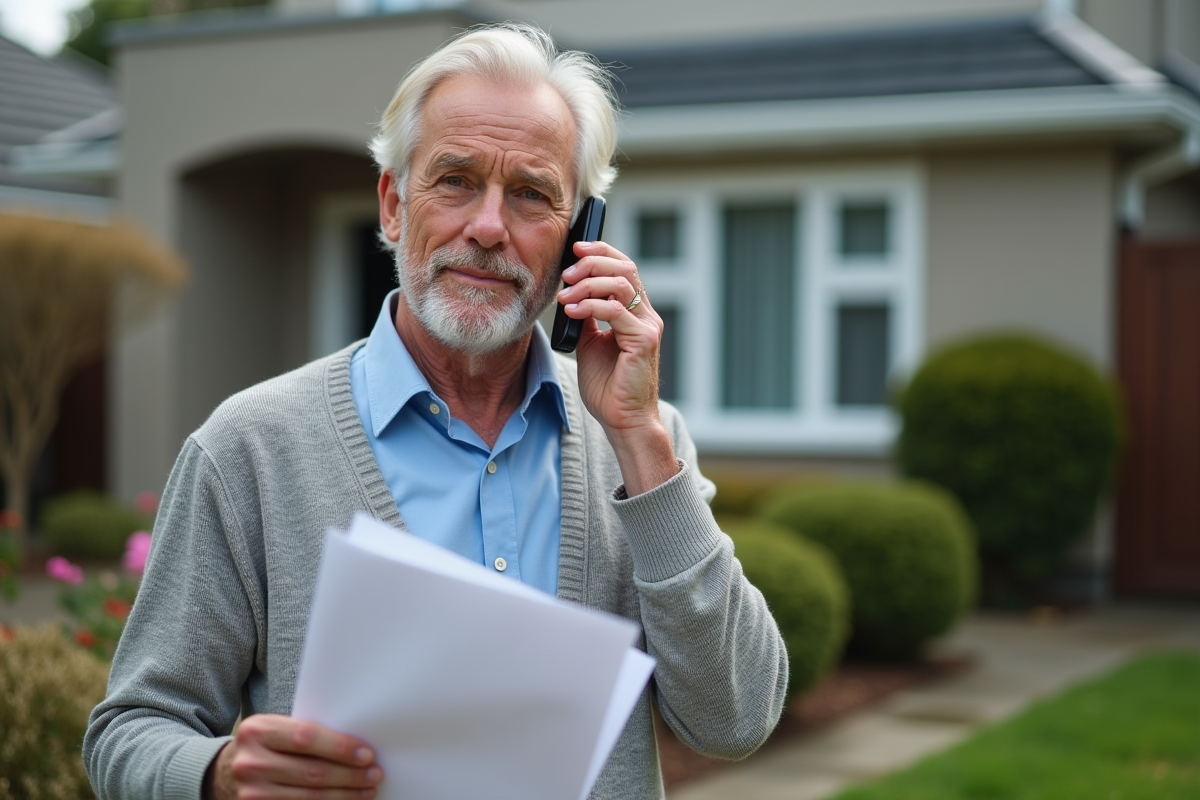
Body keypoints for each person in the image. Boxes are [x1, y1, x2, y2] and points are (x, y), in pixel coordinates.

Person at [84, 23, 787, 800]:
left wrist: (642, 440)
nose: (488, 228)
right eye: (455, 180)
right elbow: (128, 731)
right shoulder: (249, 448)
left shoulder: (641, 446)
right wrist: (214, 775)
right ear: (392, 205)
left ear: (578, 238)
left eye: (530, 194)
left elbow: (736, 720)